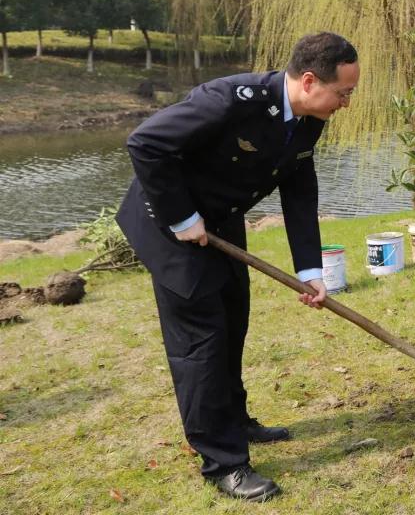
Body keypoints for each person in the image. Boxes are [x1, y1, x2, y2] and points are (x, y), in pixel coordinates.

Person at [116, 31, 359, 501]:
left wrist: (310, 269)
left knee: (233, 319)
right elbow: (145, 144)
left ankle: (235, 421)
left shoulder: (309, 117)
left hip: (219, 221)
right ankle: (223, 462)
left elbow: (299, 188)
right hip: (167, 221)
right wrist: (182, 218)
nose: (346, 103)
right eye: (343, 93)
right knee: (201, 340)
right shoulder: (228, 100)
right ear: (309, 81)